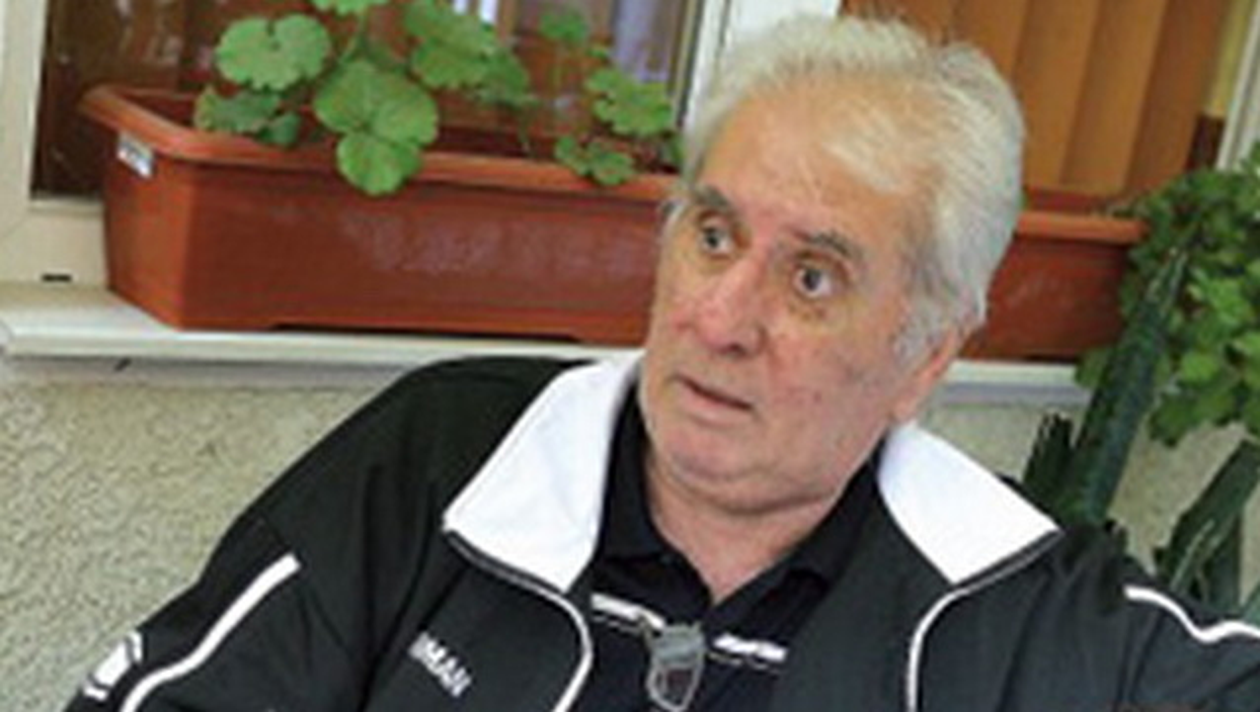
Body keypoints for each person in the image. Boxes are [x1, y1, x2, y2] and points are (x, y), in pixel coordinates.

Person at [66, 12, 1260, 712]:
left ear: (925, 354)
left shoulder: (1025, 613)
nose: (719, 317)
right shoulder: (444, 466)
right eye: (715, 235)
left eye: (813, 277)